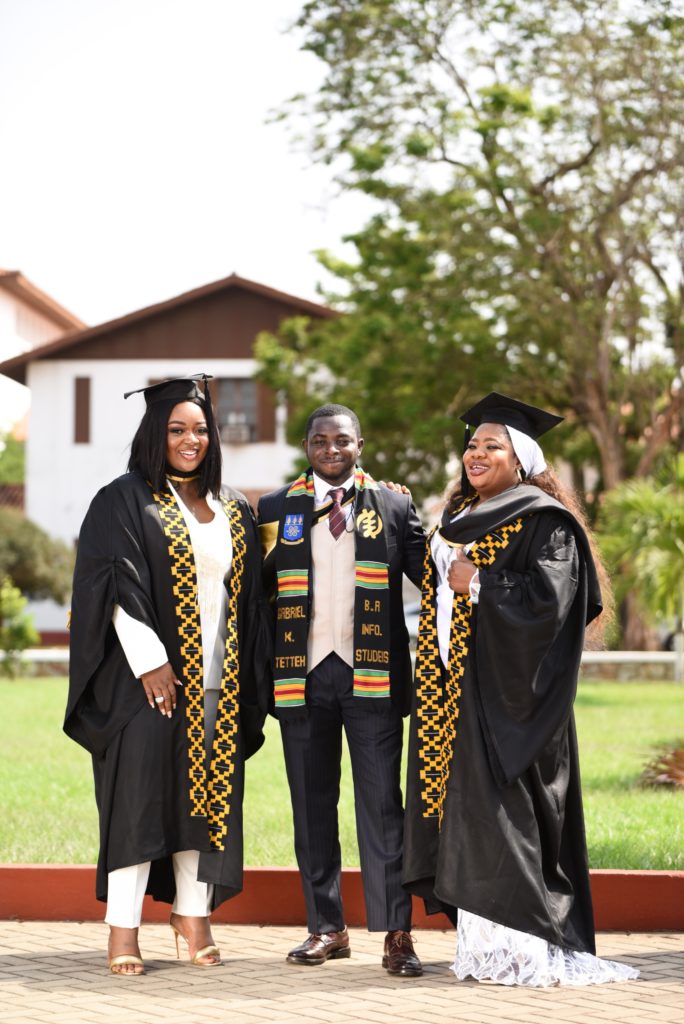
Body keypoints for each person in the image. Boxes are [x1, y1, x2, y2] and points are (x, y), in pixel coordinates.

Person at [402, 392, 639, 987]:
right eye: (472, 445)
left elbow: (552, 606)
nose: (476, 454)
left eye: (492, 446)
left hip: (514, 703)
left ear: (521, 459)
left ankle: (526, 950)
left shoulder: (542, 520)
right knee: (469, 818)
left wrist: (479, 580)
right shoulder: (456, 520)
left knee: (506, 817)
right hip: (454, 698)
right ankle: (484, 951)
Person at [65, 374, 270, 976]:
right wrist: (150, 659)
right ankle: (123, 929)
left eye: (200, 429)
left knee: (202, 802)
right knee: (138, 801)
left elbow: (250, 595)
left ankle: (192, 913)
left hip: (219, 683)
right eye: (177, 429)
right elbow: (112, 584)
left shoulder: (232, 506)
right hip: (142, 683)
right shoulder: (123, 499)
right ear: (156, 432)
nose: (190, 439)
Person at [257, 404, 425, 975]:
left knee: (382, 808)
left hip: (371, 673)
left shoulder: (394, 505)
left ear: (361, 443)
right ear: (306, 444)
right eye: (321, 440)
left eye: (343, 440)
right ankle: (327, 928)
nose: (332, 449)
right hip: (301, 674)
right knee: (311, 806)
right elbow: (258, 597)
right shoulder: (277, 507)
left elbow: (435, 575)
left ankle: (396, 933)